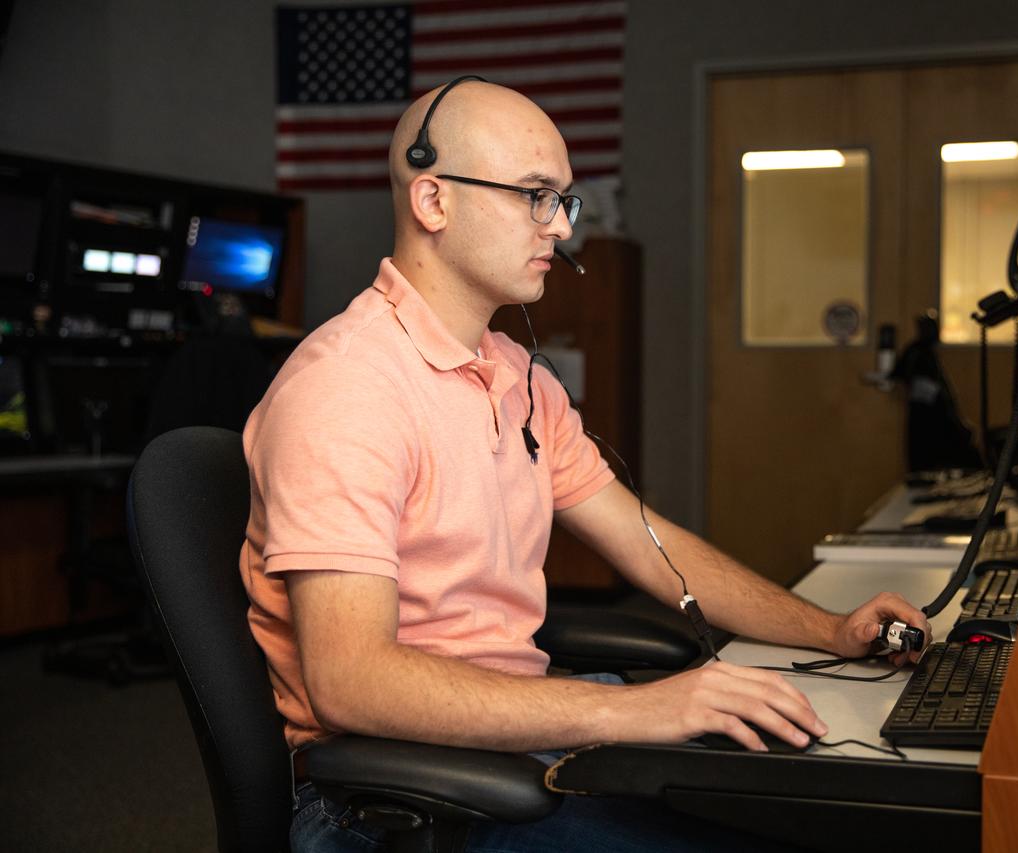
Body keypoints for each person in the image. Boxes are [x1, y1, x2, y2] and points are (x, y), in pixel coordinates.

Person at [240, 79, 930, 852]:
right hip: (400, 799)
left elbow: (646, 541)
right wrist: (632, 711)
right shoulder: (346, 387)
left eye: (563, 201)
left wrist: (832, 630)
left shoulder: (515, 373)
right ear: (433, 201)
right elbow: (352, 681)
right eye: (536, 196)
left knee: (809, 802)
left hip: (519, 742)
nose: (561, 228)